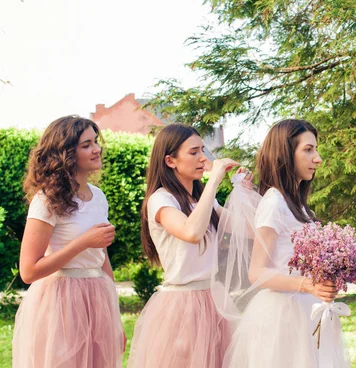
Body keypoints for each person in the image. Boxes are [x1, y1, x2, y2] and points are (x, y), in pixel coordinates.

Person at [218, 119, 348, 368]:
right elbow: (256, 272)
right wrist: (307, 285)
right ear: (286, 153)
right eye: (308, 149)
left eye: (315, 149)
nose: (318, 159)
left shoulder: (296, 203)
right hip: (283, 315)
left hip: (305, 309)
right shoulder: (274, 202)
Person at [127, 123, 246, 368]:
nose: (203, 158)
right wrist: (213, 181)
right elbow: (191, 232)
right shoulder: (161, 199)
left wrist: (243, 191)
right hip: (181, 305)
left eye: (202, 150)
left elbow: (248, 230)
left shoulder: (203, 202)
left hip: (214, 300)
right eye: (193, 152)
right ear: (170, 161)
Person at [13, 115, 124, 367]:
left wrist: (114, 318)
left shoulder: (98, 197)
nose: (97, 149)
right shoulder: (46, 200)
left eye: (95, 142)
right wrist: (83, 241)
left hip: (98, 296)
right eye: (86, 145)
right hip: (62, 302)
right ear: (66, 153)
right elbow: (29, 271)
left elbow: (102, 258)